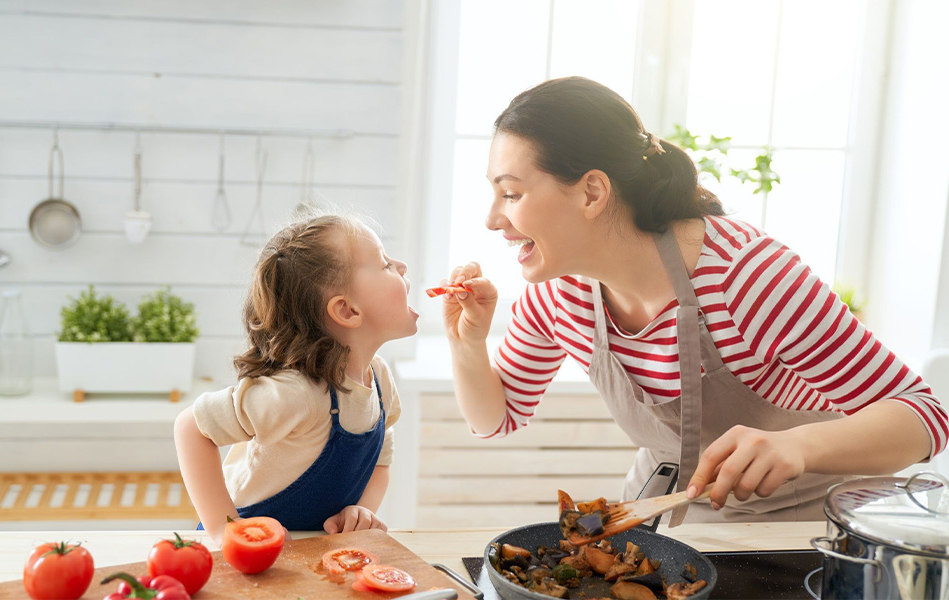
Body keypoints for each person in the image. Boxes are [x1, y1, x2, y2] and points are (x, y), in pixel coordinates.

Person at [441, 76, 947, 524]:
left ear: (592, 192)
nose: (492, 219)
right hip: (666, 513)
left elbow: (926, 418)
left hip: (799, 524)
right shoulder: (559, 295)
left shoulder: (747, 278)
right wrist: (468, 342)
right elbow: (495, 418)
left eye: (511, 194)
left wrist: (800, 445)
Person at [175, 213, 418, 544]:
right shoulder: (298, 394)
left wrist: (359, 511)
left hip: (313, 549)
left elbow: (380, 461)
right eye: (385, 264)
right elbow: (191, 427)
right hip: (243, 552)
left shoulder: (379, 382)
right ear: (348, 311)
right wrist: (224, 528)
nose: (401, 266)